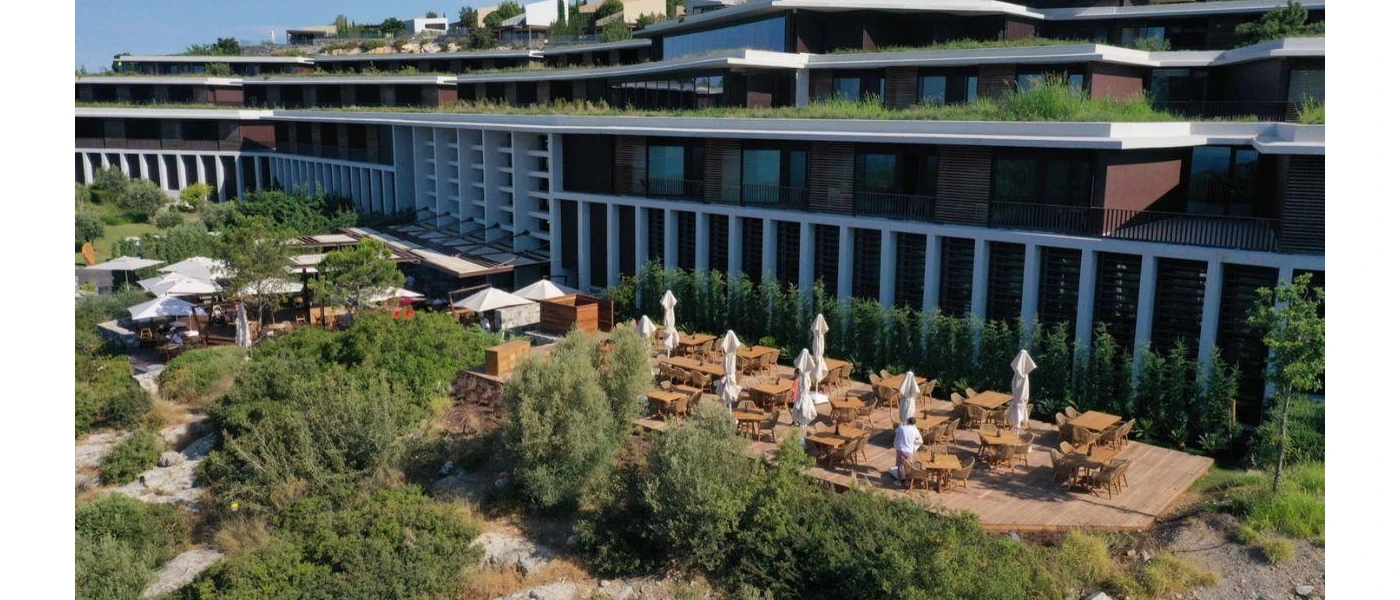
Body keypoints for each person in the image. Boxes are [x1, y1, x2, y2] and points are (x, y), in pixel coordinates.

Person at [892, 416, 923, 483]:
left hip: (901, 449)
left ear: (908, 421)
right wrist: (914, 446)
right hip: (909, 451)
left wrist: (902, 424)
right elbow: (919, 439)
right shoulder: (915, 430)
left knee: (899, 466)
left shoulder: (902, 428)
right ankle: (907, 481)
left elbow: (896, 431)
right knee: (908, 467)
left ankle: (899, 481)